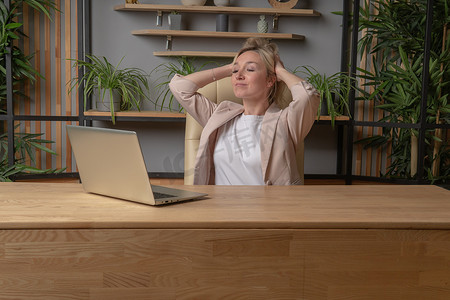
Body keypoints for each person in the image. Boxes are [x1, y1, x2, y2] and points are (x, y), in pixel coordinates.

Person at [169, 38, 320, 185]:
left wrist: (280, 71)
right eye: (235, 71)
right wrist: (230, 68)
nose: (239, 75)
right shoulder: (219, 116)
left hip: (270, 209)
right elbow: (179, 87)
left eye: (250, 69)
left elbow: (308, 96)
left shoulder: (286, 122)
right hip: (218, 208)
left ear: (270, 80)